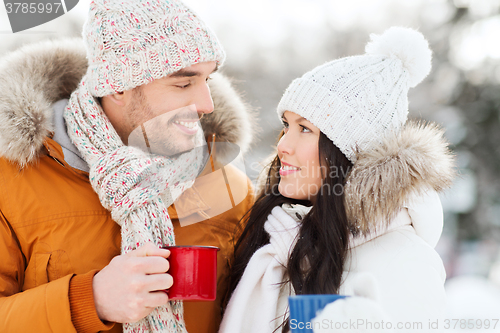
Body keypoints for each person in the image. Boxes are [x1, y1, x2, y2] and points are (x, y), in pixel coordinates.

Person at [0, 0, 254, 332]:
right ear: (117, 87)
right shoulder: (13, 180)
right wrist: (90, 300)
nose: (207, 103)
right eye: (183, 83)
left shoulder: (229, 188)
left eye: (207, 79)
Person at [220, 27, 455, 333]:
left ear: (346, 152)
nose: (282, 145)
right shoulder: (279, 237)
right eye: (286, 125)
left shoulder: (406, 262)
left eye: (305, 129)